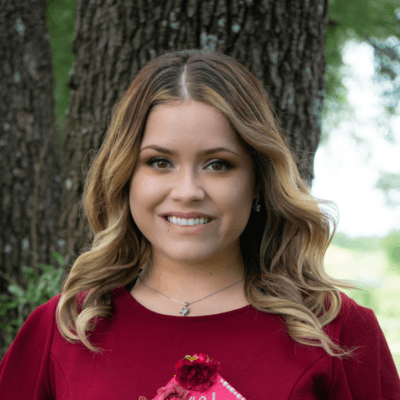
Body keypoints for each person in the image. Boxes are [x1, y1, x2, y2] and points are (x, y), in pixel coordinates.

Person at [0, 49, 399, 400]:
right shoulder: (62, 330)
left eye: (218, 164)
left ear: (258, 180)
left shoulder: (337, 331)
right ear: (126, 177)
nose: (187, 191)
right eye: (160, 162)